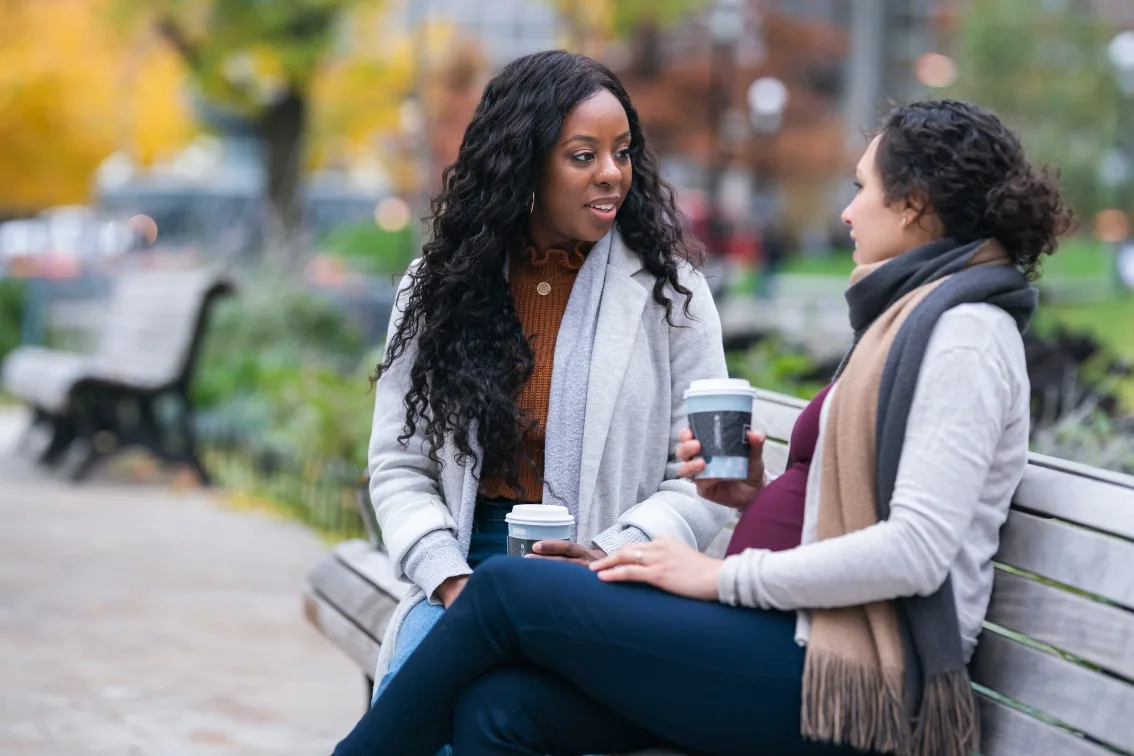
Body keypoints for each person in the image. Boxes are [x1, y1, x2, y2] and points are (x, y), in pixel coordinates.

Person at [332, 99, 1075, 756]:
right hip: (790, 642)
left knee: (505, 593)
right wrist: (754, 499)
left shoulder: (966, 336)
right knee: (499, 712)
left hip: (845, 680)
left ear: (912, 205)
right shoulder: (920, 320)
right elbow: (867, 512)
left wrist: (718, 575)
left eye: (862, 188)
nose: (848, 211)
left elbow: (916, 549)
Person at [334, 50, 733, 754]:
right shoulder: (443, 287)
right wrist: (447, 576)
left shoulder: (672, 294)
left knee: (481, 716)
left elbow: (701, 481)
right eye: (583, 156)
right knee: (435, 713)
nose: (611, 173)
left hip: (602, 581)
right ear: (525, 164)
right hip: (466, 565)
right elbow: (399, 466)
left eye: (622, 152)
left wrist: (613, 555)